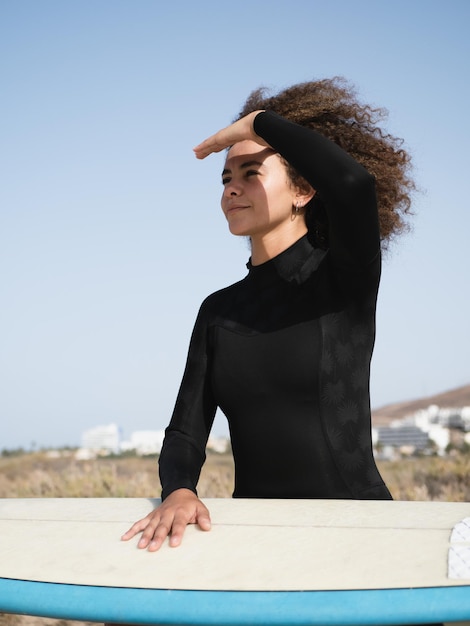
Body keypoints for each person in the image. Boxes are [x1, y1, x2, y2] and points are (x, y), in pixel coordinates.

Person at [122, 77, 415, 552]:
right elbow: (185, 430)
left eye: (250, 173)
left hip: (360, 539)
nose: (231, 190)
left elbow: (353, 184)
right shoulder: (218, 311)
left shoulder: (343, 280)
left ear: (303, 190)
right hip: (261, 544)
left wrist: (259, 122)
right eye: (225, 179)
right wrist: (179, 491)